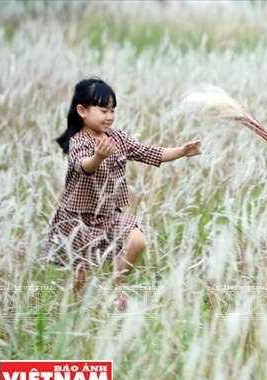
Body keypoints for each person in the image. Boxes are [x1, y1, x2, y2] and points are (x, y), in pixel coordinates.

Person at [43, 77, 201, 305]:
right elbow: (83, 166)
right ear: (82, 111)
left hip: (108, 215)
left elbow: (149, 153)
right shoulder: (79, 141)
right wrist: (98, 157)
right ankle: (72, 313)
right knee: (78, 279)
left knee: (137, 241)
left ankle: (114, 288)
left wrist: (182, 151)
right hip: (77, 219)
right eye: (102, 110)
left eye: (112, 110)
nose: (109, 116)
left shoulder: (116, 137)